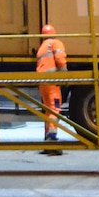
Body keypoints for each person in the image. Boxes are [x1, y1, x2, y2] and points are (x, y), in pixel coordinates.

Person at [36, 21, 67, 150]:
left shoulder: (42, 47)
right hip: (53, 80)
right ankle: (52, 137)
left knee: (48, 109)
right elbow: (59, 59)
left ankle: (47, 138)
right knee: (55, 108)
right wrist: (64, 74)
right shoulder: (56, 43)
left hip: (42, 82)